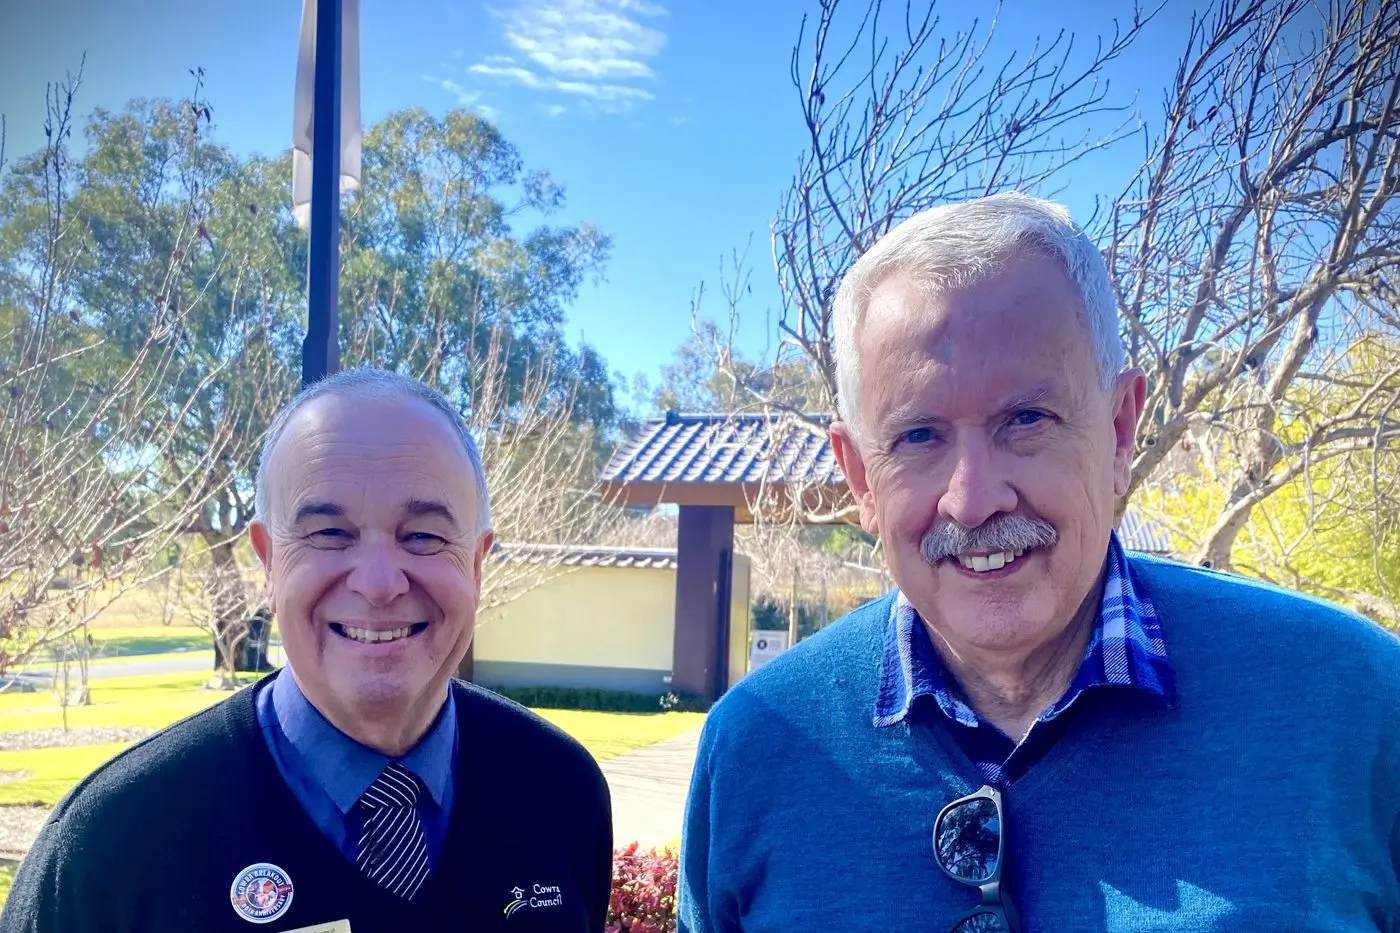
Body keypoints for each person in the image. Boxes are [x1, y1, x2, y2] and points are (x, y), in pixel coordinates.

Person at [678, 193, 1400, 932]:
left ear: (1120, 431)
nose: (972, 500)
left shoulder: (1355, 704)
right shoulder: (757, 746)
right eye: (919, 436)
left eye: (1026, 420)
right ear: (861, 477)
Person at [3, 369, 614, 932]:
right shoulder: (113, 840)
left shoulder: (561, 790)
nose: (379, 582)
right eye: (329, 533)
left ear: (477, 565)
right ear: (268, 562)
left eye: (424, 536)